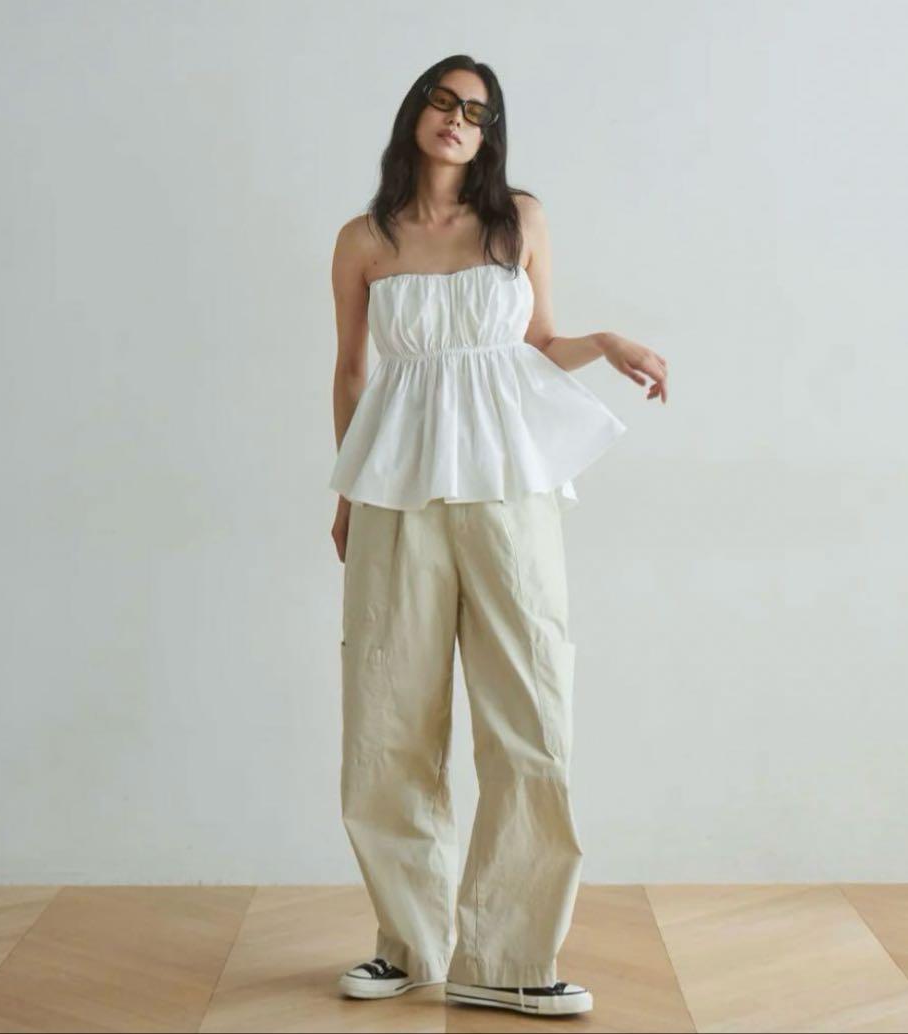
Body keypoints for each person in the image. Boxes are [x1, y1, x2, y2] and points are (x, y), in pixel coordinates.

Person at [328, 55, 669, 1018]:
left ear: (489, 133)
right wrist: (347, 489)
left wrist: (606, 343)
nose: (457, 119)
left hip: (509, 489)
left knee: (530, 710)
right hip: (396, 489)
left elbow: (537, 342)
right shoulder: (364, 239)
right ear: (416, 113)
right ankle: (408, 944)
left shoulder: (517, 219)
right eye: (443, 102)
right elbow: (351, 372)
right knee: (388, 714)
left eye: (476, 111)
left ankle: (511, 959)